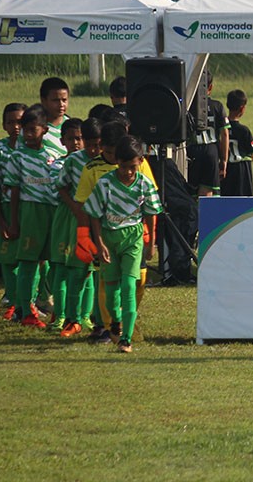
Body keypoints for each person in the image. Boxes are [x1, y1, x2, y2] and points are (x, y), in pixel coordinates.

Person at [84, 135, 164, 354]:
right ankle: (115, 322)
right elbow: (94, 215)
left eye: (133, 167)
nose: (128, 172)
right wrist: (99, 244)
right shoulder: (106, 184)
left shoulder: (144, 184)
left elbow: (151, 214)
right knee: (111, 292)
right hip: (109, 239)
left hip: (133, 239)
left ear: (140, 161)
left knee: (129, 286)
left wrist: (151, 244)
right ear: (116, 161)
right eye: (124, 166)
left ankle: (126, 339)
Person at [3, 107, 63, 328]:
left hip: (53, 211)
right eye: (25, 131)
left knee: (55, 261)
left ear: (44, 130)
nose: (28, 135)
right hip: (31, 212)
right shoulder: (17, 157)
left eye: (32, 130)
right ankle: (25, 309)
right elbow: (13, 190)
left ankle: (54, 306)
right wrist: (14, 221)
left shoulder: (53, 156)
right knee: (28, 262)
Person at [59, 117, 102, 338]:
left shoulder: (108, 160)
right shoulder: (74, 161)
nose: (95, 149)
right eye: (91, 144)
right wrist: (75, 208)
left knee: (100, 274)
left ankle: (98, 318)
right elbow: (62, 186)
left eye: (98, 144)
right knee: (77, 271)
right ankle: (72, 319)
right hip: (81, 223)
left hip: (102, 225)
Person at [0, 102, 26, 316]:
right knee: (7, 257)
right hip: (6, 208)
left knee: (32, 256)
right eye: (11, 122)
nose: (16, 127)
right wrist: (0, 219)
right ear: (3, 125)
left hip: (29, 209)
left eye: (20, 122)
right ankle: (12, 297)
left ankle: (33, 298)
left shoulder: (35, 148)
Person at [46, 118, 84, 331]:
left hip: (85, 219)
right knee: (60, 267)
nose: (76, 142)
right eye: (71, 138)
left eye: (79, 138)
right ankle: (59, 315)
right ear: (62, 141)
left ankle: (83, 316)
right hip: (65, 217)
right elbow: (56, 188)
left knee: (85, 270)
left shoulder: (91, 164)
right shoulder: (60, 163)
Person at [188, 70, 229, 197]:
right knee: (207, 190)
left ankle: (193, 215)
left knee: (190, 190)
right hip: (210, 150)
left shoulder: (187, 107)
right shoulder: (217, 106)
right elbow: (225, 134)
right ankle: (204, 215)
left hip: (192, 149)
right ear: (210, 87)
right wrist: (224, 159)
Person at [223, 89, 253, 197]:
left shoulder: (222, 128)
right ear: (242, 108)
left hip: (226, 169)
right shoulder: (244, 130)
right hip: (241, 170)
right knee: (243, 198)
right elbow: (252, 152)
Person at [39, 77, 70, 158]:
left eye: (64, 100)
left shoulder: (72, 126)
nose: (61, 104)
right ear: (43, 100)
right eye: (55, 100)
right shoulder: (34, 128)